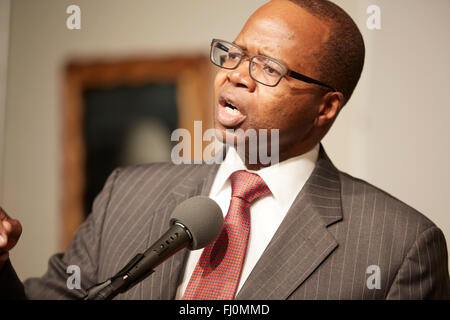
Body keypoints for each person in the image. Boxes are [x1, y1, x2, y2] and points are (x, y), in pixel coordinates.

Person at [1, 0, 449, 300]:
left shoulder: (400, 247)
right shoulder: (127, 193)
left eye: (267, 67)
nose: (235, 75)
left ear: (325, 107)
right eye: (233, 54)